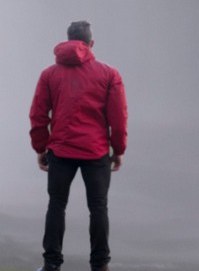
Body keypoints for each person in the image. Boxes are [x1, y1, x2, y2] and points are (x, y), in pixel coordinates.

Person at [29, 18, 127, 271]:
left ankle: (51, 265)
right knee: (98, 207)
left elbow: (39, 114)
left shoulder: (49, 74)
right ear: (91, 43)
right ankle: (100, 266)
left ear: (68, 40)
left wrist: (41, 147)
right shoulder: (109, 74)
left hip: (60, 150)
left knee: (56, 205)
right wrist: (119, 150)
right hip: (95, 152)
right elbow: (118, 117)